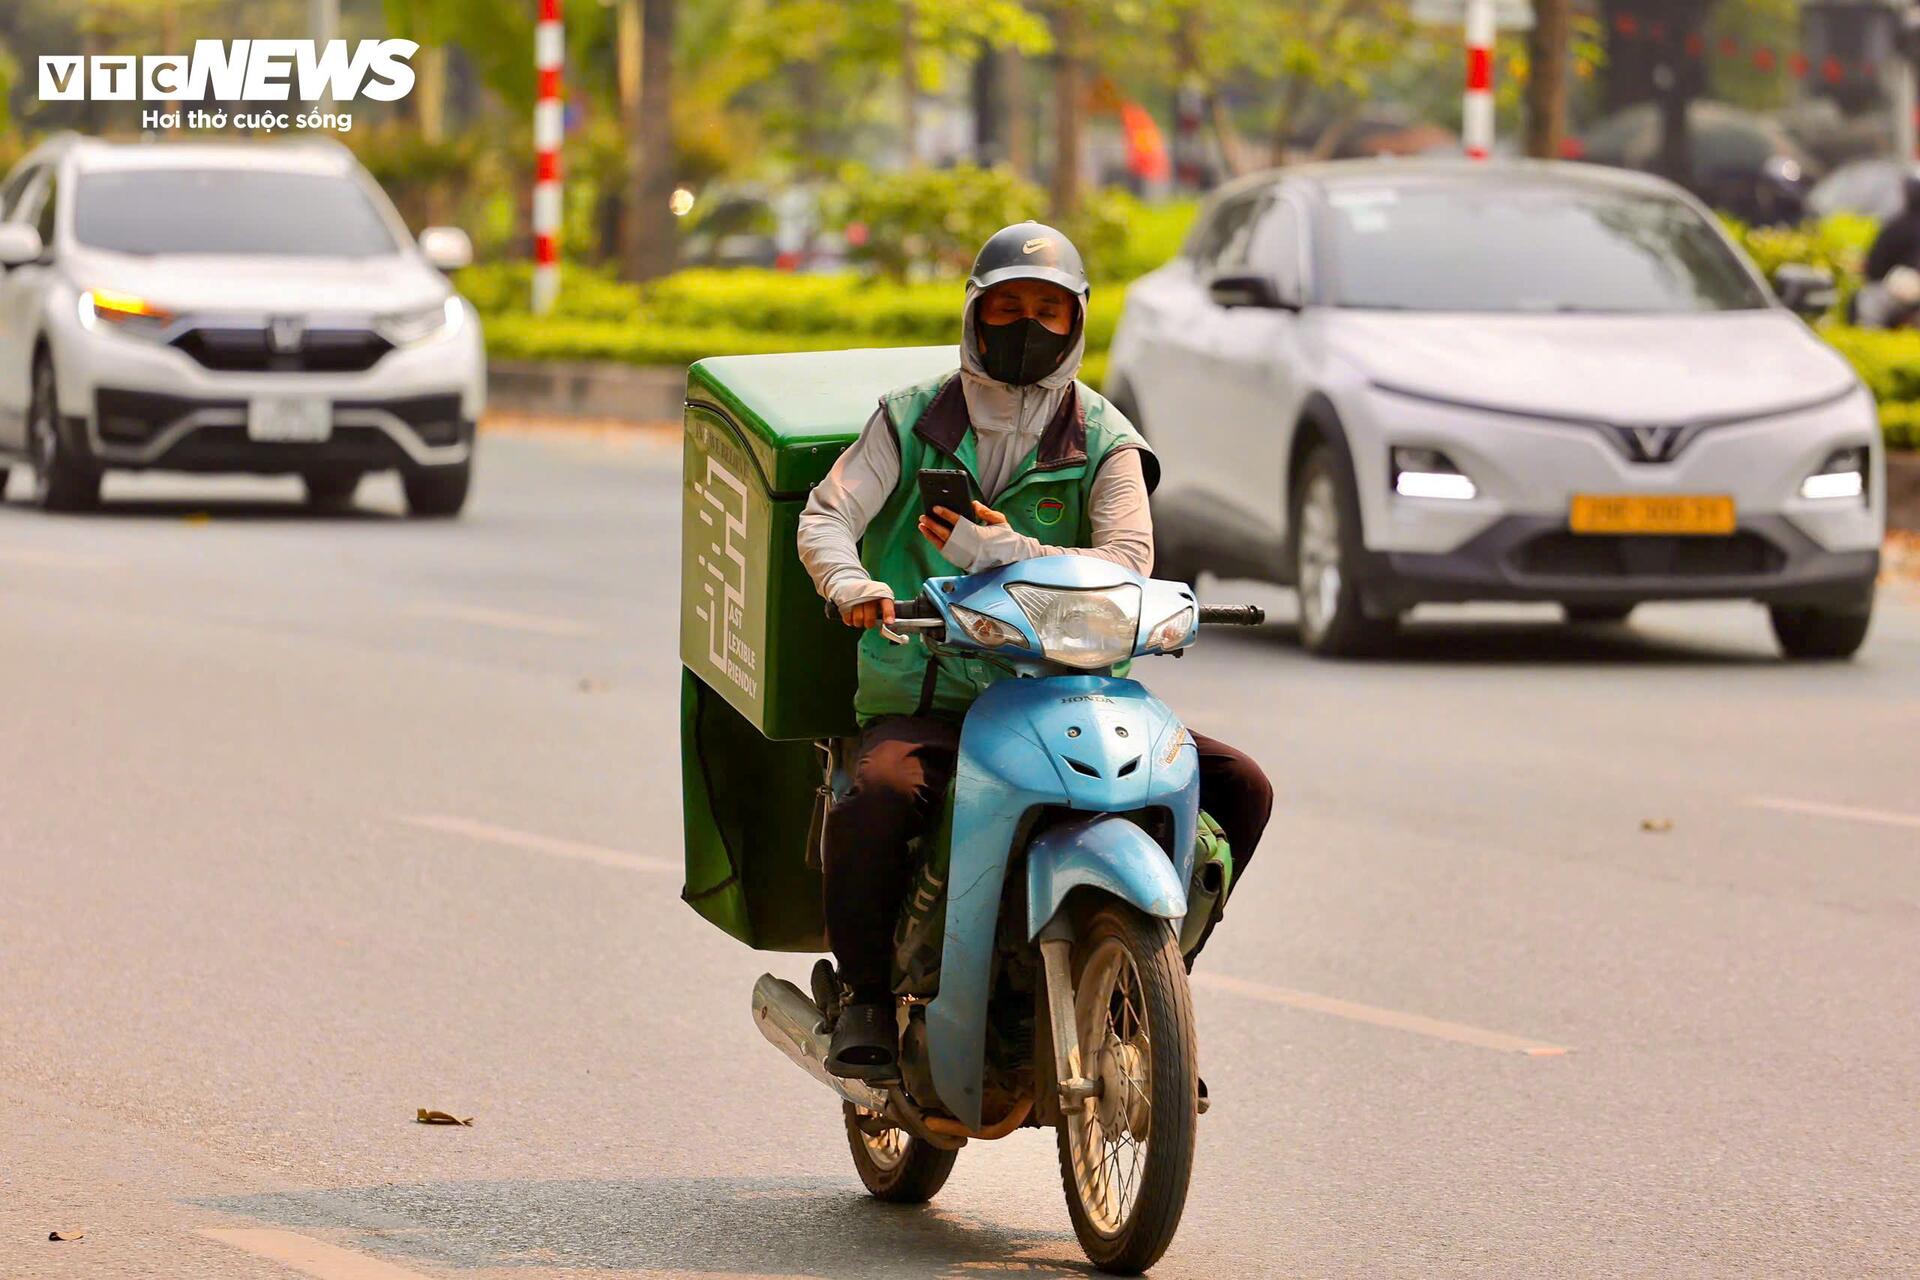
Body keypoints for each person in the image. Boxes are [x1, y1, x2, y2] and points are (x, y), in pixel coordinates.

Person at [797, 221, 1273, 1080]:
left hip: (1069, 695)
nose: (1028, 326)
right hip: (934, 696)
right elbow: (828, 516)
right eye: (1008, 306)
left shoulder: (1108, 438)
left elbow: (1128, 563)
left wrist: (1006, 552)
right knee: (879, 792)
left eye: (1048, 311)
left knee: (1240, 785)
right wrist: (850, 583)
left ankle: (1147, 995)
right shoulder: (907, 420)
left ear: (1076, 321)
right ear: (975, 314)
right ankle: (865, 996)